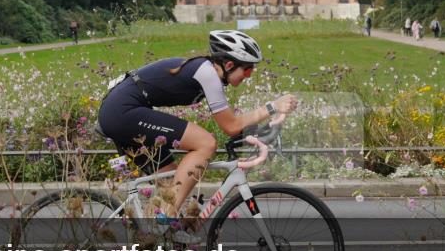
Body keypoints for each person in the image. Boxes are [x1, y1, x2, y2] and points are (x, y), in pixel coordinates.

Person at [96, 30, 297, 222]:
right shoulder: (207, 73)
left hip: (122, 111)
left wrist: (267, 126)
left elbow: (233, 122)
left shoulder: (209, 72)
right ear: (228, 65)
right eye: (247, 69)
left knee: (172, 185)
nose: (249, 75)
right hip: (122, 111)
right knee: (206, 143)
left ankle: (148, 238)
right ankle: (165, 216)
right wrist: (272, 106)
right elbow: (231, 126)